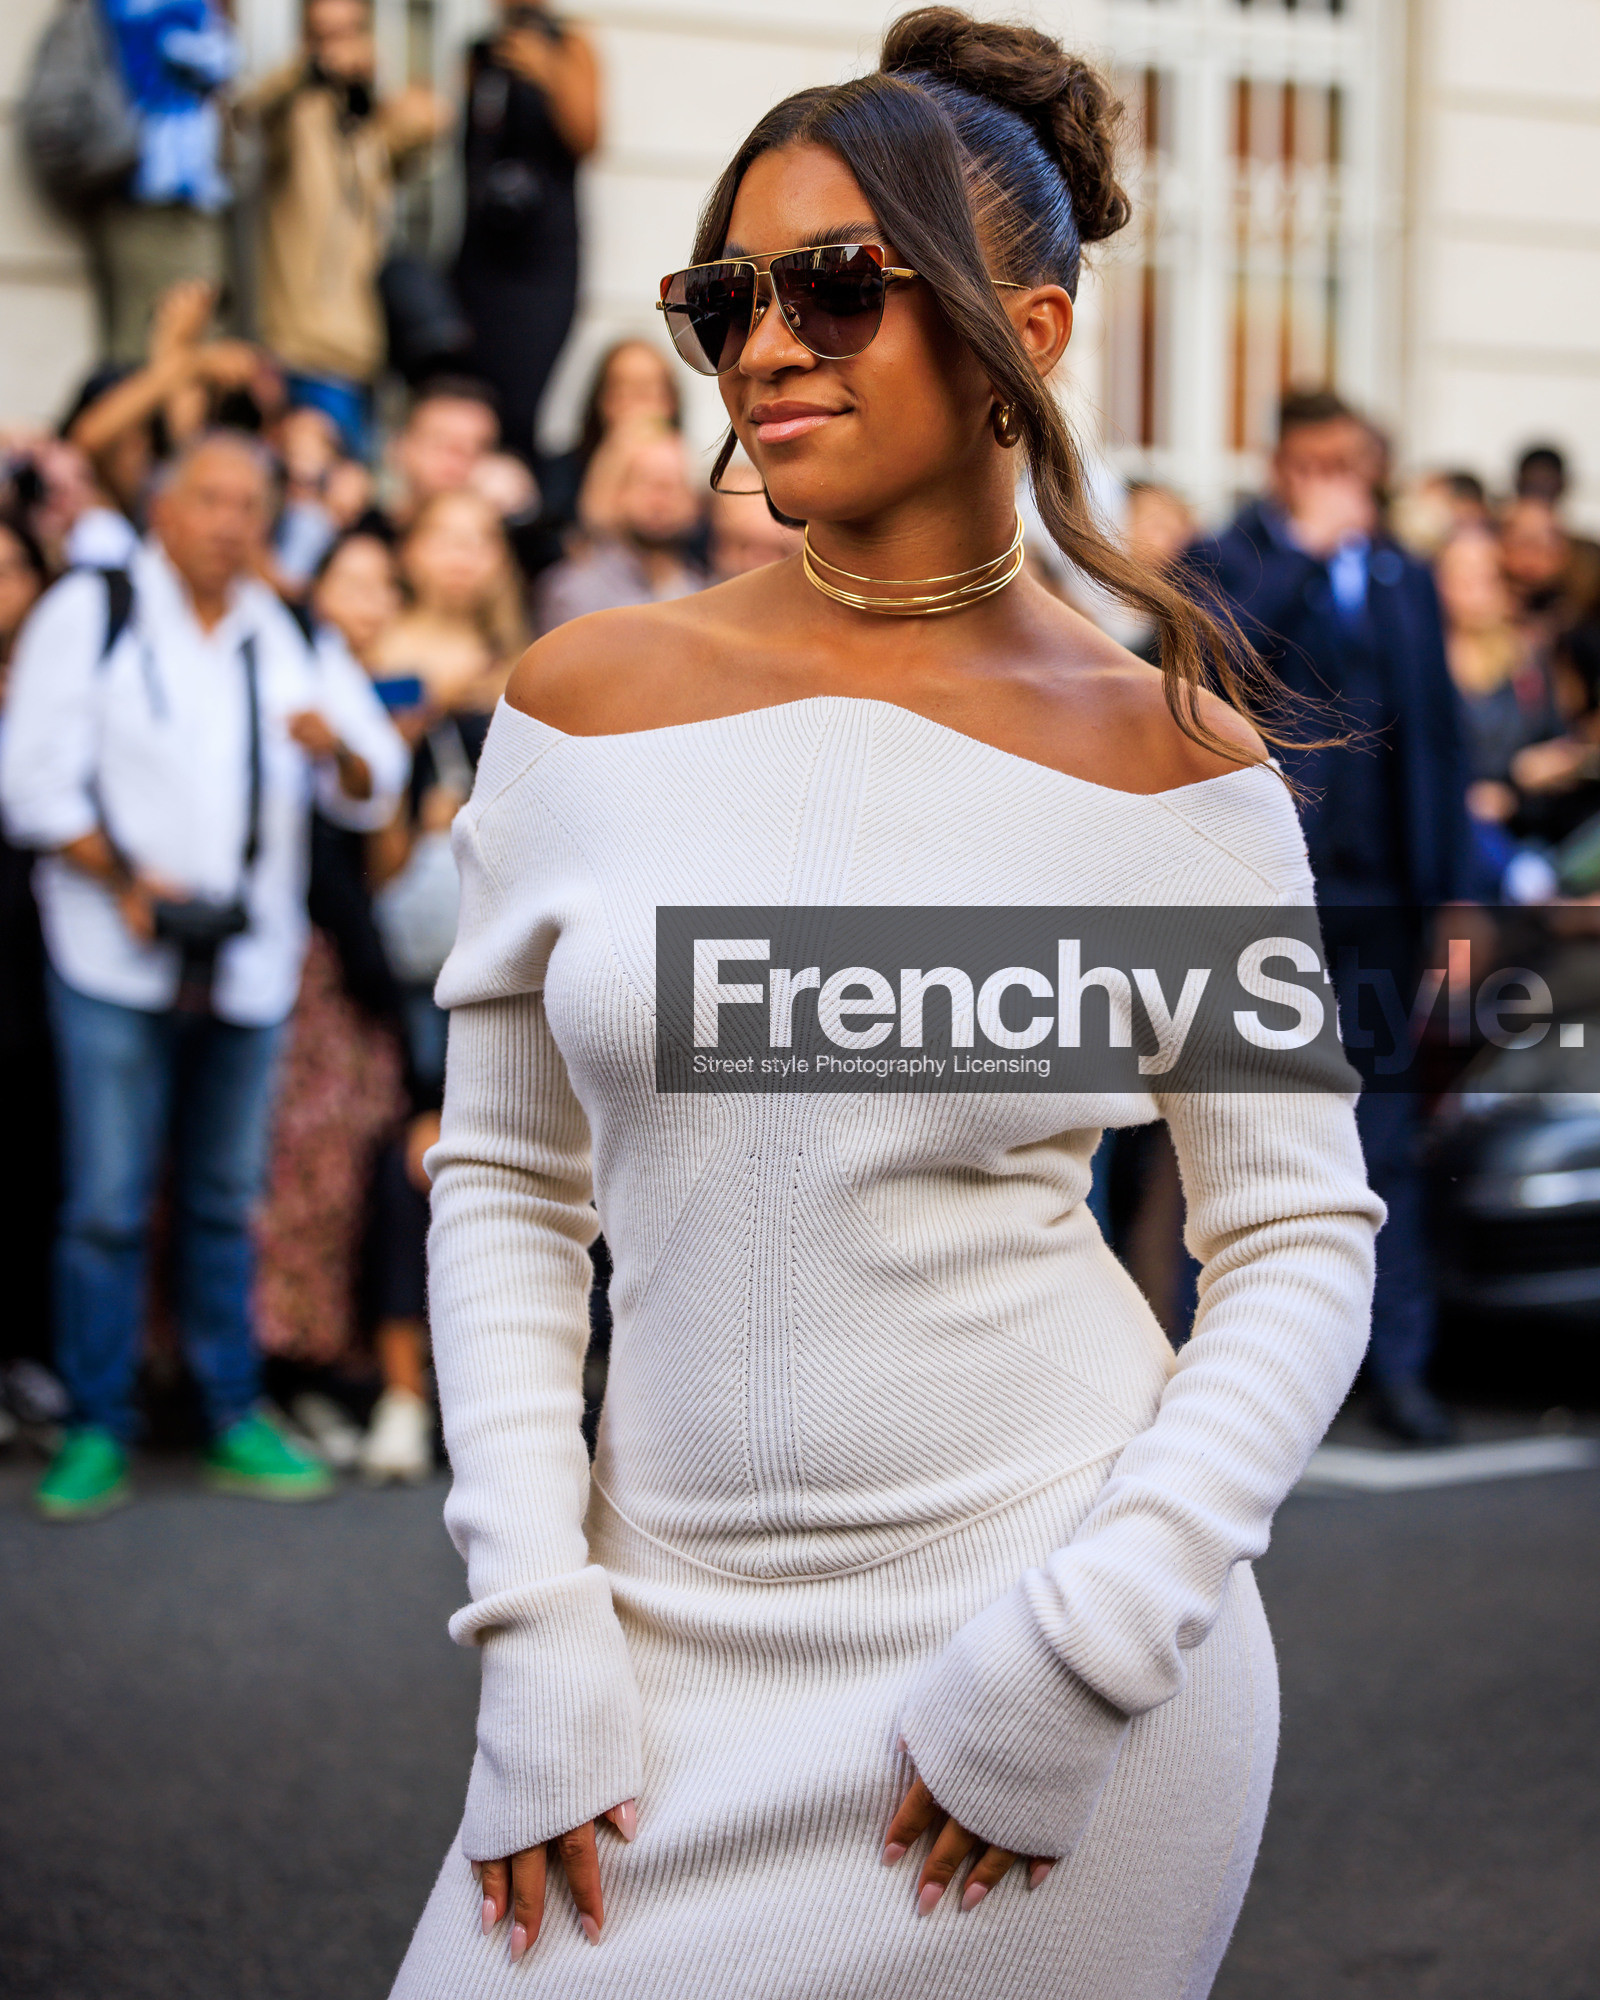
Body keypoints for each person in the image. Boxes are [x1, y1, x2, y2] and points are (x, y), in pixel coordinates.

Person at [390, 11, 1381, 1994]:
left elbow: (1295, 1237)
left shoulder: (1176, 770)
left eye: (837, 287)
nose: (766, 346)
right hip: (637, 1654)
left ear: (1027, 332)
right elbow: (502, 1185)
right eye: (725, 298)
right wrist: (536, 1624)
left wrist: (1094, 1638)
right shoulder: (577, 709)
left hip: (1034, 1649)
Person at [0, 432, 408, 1521]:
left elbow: (375, 774)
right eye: (211, 500)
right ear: (162, 509)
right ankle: (96, 1422)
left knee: (227, 1199)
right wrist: (126, 878)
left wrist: (337, 749)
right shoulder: (92, 610)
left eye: (249, 504)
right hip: (109, 949)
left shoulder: (284, 628)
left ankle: (232, 1411)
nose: (232, 522)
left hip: (250, 958)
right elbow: (31, 785)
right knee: (106, 1202)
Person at [1182, 386, 1471, 1446]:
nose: (1332, 486)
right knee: (1245, 1138)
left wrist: (1451, 894)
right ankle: (1228, 1381)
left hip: (1382, 900)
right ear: (1279, 467)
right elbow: (1209, 669)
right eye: (1312, 466)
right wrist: (1301, 553)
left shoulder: (1403, 574)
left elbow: (1437, 738)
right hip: (1261, 898)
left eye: (1347, 466)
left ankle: (1396, 1369)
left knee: (1384, 1141)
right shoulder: (1227, 558)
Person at [247, 0, 451, 461]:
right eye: (325, 35)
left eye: (350, 32)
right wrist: (312, 70)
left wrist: (382, 84)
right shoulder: (294, 120)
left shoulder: (367, 128)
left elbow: (432, 117)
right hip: (303, 350)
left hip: (363, 351)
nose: (340, 50)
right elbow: (251, 110)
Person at [453, 0, 602, 462]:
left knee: (522, 407)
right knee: (480, 399)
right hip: (484, 254)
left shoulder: (569, 43)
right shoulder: (478, 53)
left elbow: (589, 137)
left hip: (543, 262)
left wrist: (546, 70)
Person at [0, 515, 65, 1419]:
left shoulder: (69, 671)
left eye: (14, 567)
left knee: (30, 1160)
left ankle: (26, 1355)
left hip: (38, 952)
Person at [91, 0, 238, 362]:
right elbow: (211, 57)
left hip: (194, 193)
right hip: (144, 189)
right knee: (145, 340)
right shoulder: (134, 10)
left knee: (199, 327)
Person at [535, 427, 705, 629]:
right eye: (647, 483)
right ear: (613, 492)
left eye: (674, 485)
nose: (660, 501)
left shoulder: (704, 588)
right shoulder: (573, 591)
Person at [538, 338, 682, 530]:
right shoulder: (563, 473)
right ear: (601, 399)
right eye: (624, 390)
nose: (637, 409)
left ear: (671, 403)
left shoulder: (689, 471)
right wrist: (615, 456)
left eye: (647, 391)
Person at [386, 378, 502, 528]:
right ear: (400, 447)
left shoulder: (517, 533)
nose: (458, 458)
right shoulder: (367, 534)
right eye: (440, 441)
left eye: (477, 447)